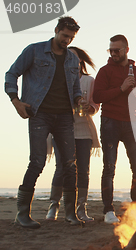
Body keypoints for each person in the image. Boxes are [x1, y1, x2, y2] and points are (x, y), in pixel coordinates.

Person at [5, 17, 84, 228]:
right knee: (37, 162)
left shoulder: (72, 60)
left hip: (65, 117)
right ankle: (22, 214)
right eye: (65, 35)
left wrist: (78, 99)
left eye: (71, 37)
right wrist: (16, 101)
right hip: (39, 114)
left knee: (69, 165)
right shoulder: (34, 51)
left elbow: (75, 87)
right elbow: (11, 74)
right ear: (56, 30)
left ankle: (70, 214)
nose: (67, 40)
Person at [93, 34, 136, 224]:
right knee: (109, 167)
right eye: (110, 50)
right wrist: (121, 88)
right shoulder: (104, 71)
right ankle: (109, 211)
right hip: (110, 122)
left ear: (126, 50)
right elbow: (98, 96)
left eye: (117, 50)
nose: (113, 53)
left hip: (132, 123)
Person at [45, 46, 101, 222]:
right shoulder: (57, 79)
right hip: (61, 130)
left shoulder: (88, 81)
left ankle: (81, 207)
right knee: (62, 167)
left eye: (75, 58)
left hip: (84, 130)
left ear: (81, 61)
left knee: (83, 170)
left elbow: (94, 106)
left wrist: (89, 108)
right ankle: (54, 205)